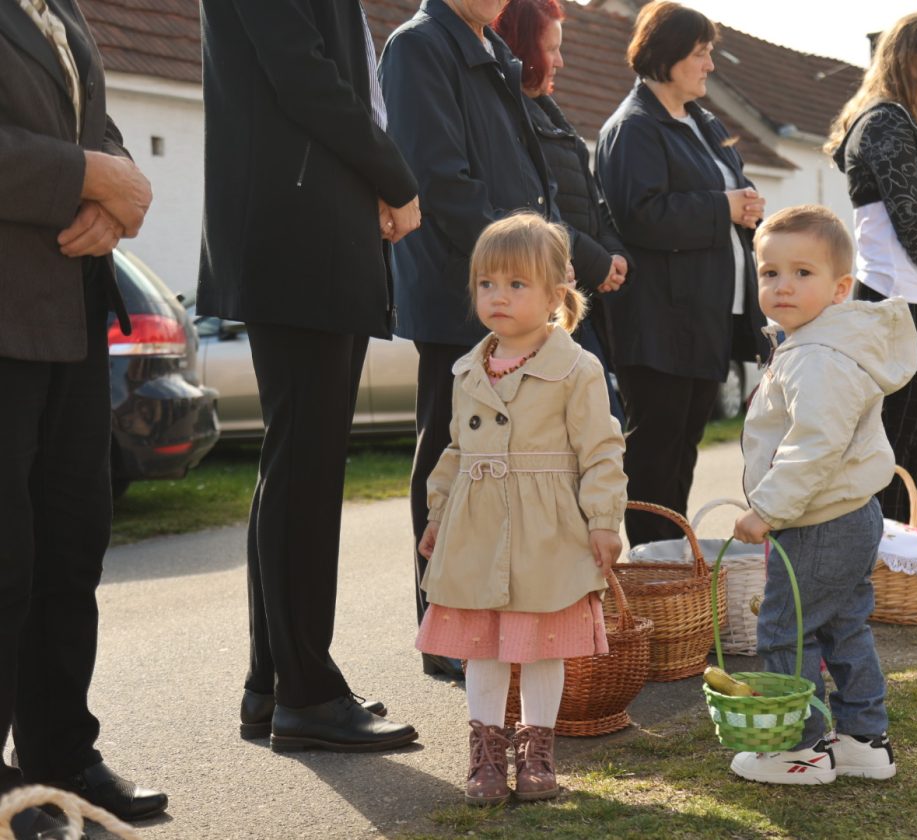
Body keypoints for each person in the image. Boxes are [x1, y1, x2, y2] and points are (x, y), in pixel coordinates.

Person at [199, 0, 422, 751]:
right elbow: (306, 78)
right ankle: (307, 693)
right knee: (305, 469)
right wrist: (393, 176)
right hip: (300, 234)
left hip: (305, 229)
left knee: (295, 464)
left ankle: (274, 684)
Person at [0, 1, 167, 832]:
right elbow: (78, 157)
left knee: (71, 545)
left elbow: (101, 136)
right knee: (4, 557)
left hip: (71, 318)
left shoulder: (61, 13)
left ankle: (61, 757)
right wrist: (87, 176)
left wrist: (117, 189)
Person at [416, 213, 627, 805]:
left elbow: (601, 449)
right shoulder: (467, 370)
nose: (498, 297)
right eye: (487, 284)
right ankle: (485, 752)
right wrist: (437, 514)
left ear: (555, 293)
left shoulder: (577, 369)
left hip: (548, 529)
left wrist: (604, 521)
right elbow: (456, 450)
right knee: (482, 643)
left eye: (516, 285)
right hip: (478, 526)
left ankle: (537, 748)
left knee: (540, 643)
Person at [380, 0, 562, 671]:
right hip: (464, 292)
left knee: (501, 468)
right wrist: (521, 266)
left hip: (511, 290)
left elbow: (526, 179)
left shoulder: (491, 52)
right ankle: (443, 632)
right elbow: (439, 183)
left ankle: (488, 621)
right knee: (450, 464)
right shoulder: (420, 46)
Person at [731, 205, 914, 784]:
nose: (782, 285)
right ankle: (863, 739)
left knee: (787, 630)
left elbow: (815, 445)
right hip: (847, 516)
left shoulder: (817, 357)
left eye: (802, 273)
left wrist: (767, 509)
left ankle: (801, 748)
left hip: (817, 520)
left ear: (839, 288)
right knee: (842, 625)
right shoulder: (811, 345)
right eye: (769, 272)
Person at [596, 1, 769, 546]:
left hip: (706, 317)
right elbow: (641, 215)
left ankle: (675, 566)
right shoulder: (633, 129)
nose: (710, 65)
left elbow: (729, 197)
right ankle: (653, 574)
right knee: (654, 456)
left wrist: (747, 208)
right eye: (701, 53)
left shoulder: (703, 121)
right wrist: (725, 206)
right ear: (667, 57)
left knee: (683, 452)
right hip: (659, 323)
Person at [825, 12, 917, 534]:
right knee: (898, 431)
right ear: (910, 59)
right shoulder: (884, 121)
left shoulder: (908, 123)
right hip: (896, 299)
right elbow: (905, 215)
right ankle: (887, 550)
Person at [492, 0, 630, 424]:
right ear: (519, 48)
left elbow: (589, 197)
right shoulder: (509, 116)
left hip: (575, 292)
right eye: (550, 49)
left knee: (603, 426)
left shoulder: (551, 113)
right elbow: (533, 209)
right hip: (550, 295)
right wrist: (596, 260)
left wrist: (612, 253)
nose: (561, 61)